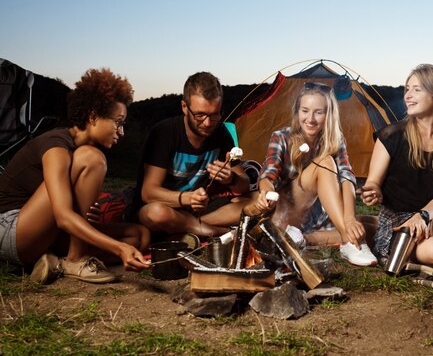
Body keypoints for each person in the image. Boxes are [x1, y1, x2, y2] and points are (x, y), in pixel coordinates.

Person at [0, 68, 151, 284]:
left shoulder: (77, 152)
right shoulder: (57, 146)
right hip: (11, 231)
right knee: (92, 158)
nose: (121, 132)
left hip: (43, 233)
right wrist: (119, 248)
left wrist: (85, 210)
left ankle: (56, 262)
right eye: (118, 122)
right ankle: (77, 259)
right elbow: (62, 216)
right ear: (93, 117)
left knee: (139, 236)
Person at [360, 64, 433, 267]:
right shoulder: (391, 135)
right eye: (407, 88)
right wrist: (372, 192)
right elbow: (372, 182)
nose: (408, 95)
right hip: (399, 222)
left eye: (417, 89)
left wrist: (423, 216)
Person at [253, 81, 378, 266]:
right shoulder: (281, 137)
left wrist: (351, 218)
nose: (310, 119)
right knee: (324, 162)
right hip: (287, 213)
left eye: (318, 112)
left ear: (329, 115)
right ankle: (350, 241)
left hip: (316, 214)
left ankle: (302, 239)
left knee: (375, 224)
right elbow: (268, 174)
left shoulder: (335, 140)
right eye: (305, 111)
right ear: (297, 111)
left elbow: (347, 176)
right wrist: (265, 192)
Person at [135, 71, 250, 238]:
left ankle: (187, 227)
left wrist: (231, 179)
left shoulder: (221, 133)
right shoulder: (164, 133)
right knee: (156, 213)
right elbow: (148, 193)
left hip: (198, 211)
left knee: (253, 202)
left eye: (214, 115)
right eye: (200, 115)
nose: (208, 123)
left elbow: (244, 184)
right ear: (184, 107)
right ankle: (210, 231)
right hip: (165, 207)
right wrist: (188, 198)